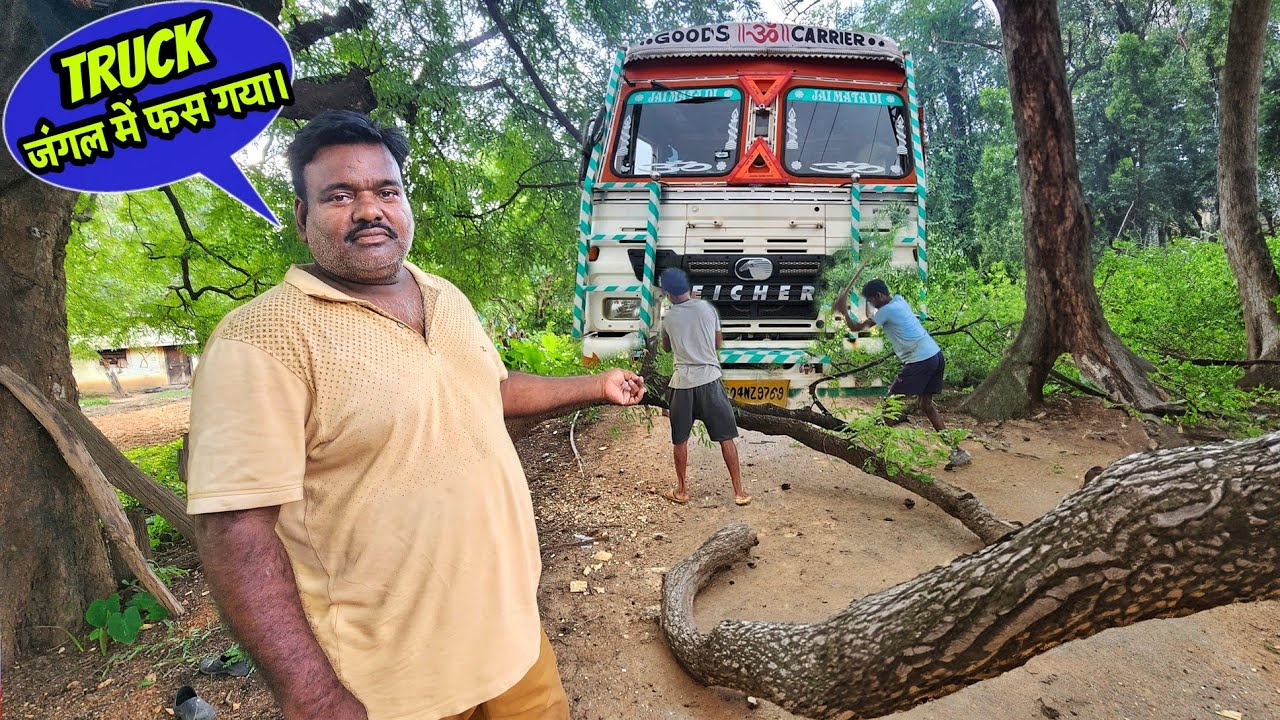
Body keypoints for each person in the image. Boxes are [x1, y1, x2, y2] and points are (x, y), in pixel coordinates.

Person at [186, 110, 645, 720]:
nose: (369, 210)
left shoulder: (445, 296)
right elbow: (236, 530)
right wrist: (314, 697)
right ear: (301, 217)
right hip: (390, 684)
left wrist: (595, 384)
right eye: (340, 195)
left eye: (386, 191)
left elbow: (491, 390)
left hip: (512, 637)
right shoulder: (263, 339)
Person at [834, 279, 972, 468]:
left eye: (872, 301)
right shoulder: (899, 300)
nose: (872, 305)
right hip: (935, 355)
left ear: (879, 296)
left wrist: (843, 311)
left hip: (920, 360)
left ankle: (881, 453)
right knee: (926, 405)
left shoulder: (886, 311)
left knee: (890, 404)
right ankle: (957, 451)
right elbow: (872, 316)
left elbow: (857, 328)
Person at [657, 268, 751, 506]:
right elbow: (718, 342)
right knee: (726, 438)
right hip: (710, 380)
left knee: (680, 439)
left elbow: (667, 348)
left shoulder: (667, 319)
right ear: (687, 288)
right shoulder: (708, 309)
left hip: (682, 384)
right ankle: (739, 492)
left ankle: (682, 490)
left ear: (668, 293)